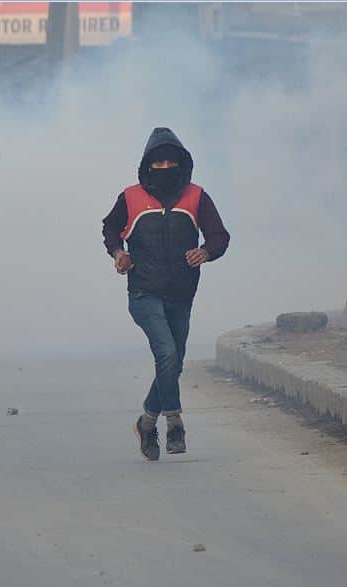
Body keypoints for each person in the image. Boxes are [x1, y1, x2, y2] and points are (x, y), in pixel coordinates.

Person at [101, 128, 230, 460]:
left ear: (183, 164)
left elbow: (219, 236)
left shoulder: (197, 196)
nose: (165, 167)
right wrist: (118, 253)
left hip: (182, 294)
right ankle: (174, 424)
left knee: (175, 363)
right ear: (147, 166)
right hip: (143, 292)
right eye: (158, 162)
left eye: (172, 161)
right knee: (167, 354)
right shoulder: (130, 197)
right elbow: (110, 227)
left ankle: (146, 422)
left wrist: (206, 252)